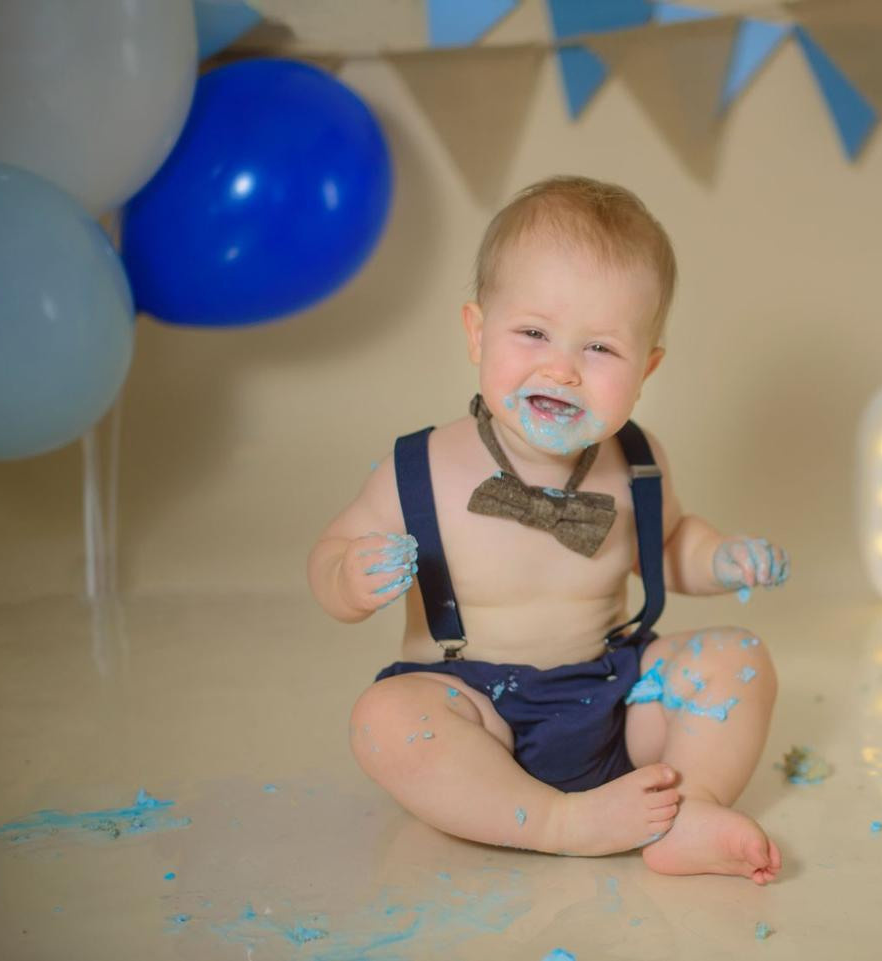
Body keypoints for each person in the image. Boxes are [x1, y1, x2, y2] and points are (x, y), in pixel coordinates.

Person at [308, 175, 789, 884]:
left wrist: (721, 558)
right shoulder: (421, 466)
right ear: (477, 332)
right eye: (533, 332)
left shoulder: (637, 463)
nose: (561, 368)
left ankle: (688, 810)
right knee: (385, 719)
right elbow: (328, 557)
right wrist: (350, 576)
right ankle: (558, 823)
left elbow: (672, 545)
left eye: (600, 349)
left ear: (647, 367)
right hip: (473, 714)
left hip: (619, 697)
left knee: (740, 657)